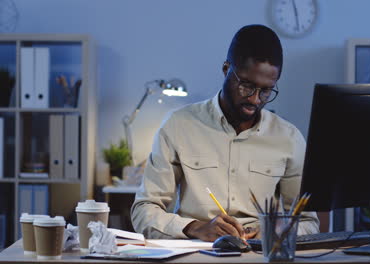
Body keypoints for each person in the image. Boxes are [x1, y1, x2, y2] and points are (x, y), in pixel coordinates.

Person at [131, 24, 319, 241]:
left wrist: (273, 232)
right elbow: (144, 210)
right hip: (198, 251)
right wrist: (194, 227)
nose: (255, 99)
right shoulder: (178, 125)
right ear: (225, 69)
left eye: (266, 90)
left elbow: (308, 223)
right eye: (246, 86)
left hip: (259, 254)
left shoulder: (289, 138)